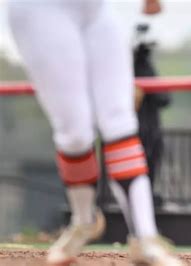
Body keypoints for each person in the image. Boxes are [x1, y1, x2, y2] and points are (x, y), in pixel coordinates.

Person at [7, 0, 182, 265]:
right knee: (75, 133)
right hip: (39, 9)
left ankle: (144, 237)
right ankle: (84, 220)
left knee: (120, 122)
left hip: (95, 8)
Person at [133, 22, 171, 194]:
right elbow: (163, 98)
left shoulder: (141, 69)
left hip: (147, 130)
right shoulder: (140, 70)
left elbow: (164, 99)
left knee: (145, 170)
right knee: (141, 170)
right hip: (141, 131)